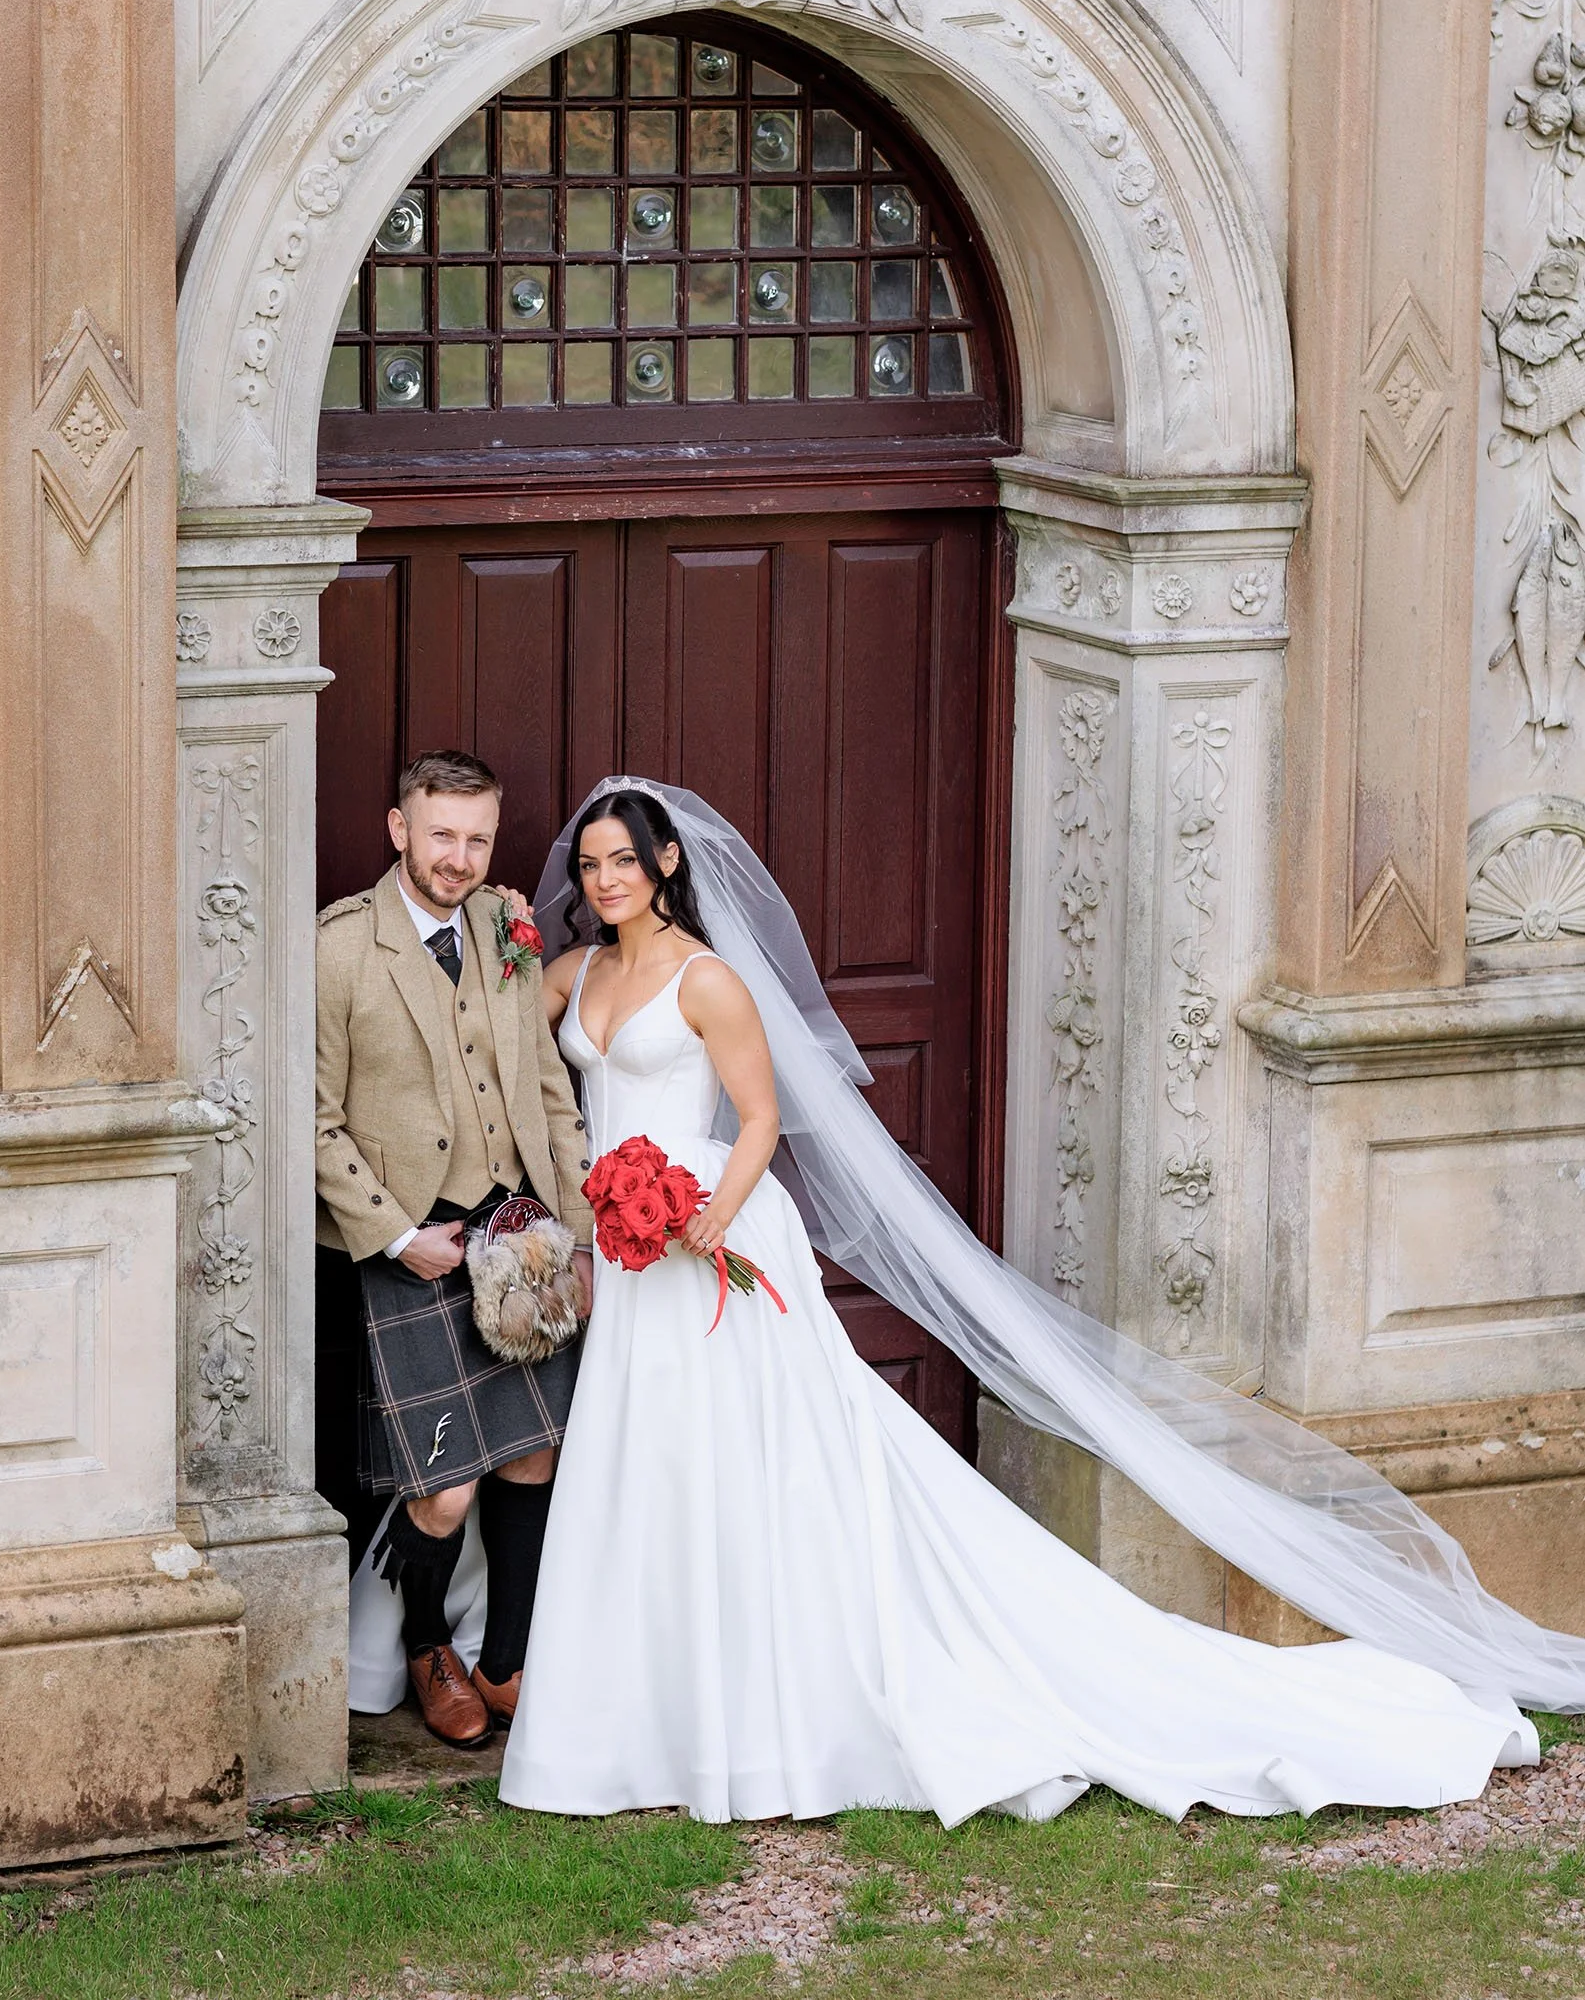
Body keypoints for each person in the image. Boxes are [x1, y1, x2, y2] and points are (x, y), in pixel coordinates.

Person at [498, 782, 1561, 1826]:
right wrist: (500, 931)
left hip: (705, 1235)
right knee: (647, 1456)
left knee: (740, 1461)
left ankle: (764, 1711)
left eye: (625, 861)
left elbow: (765, 1118)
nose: (605, 879)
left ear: (666, 864)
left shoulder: (707, 979)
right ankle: (640, 1714)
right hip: (622, 1243)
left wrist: (709, 1214)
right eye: (591, 865)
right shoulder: (575, 969)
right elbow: (504, 1013)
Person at [315, 749, 593, 1749]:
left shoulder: (507, 925)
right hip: (417, 1240)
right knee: (445, 1486)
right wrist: (396, 1233)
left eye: (477, 836)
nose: (459, 856)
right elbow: (310, 1116)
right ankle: (430, 1646)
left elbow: (549, 1096)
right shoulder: (341, 947)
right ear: (400, 828)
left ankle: (508, 1659)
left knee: (531, 1451)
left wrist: (582, 1237)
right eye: (441, 834)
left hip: (520, 1228)